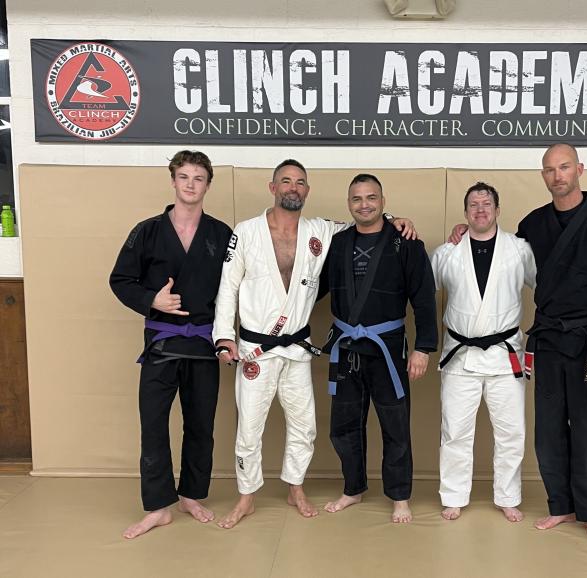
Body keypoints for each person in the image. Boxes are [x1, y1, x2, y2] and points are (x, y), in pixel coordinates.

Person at [212, 161, 415, 529]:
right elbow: (228, 286)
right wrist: (225, 336)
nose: (293, 187)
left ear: (307, 190)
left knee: (304, 425)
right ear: (273, 187)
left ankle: (296, 487)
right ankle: (246, 497)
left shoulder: (320, 230)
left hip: (297, 348)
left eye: (300, 182)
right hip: (256, 349)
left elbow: (365, 222)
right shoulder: (246, 232)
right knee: (249, 428)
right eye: (286, 181)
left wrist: (394, 218)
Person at [109, 150, 233, 539]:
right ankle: (158, 507)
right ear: (173, 181)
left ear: (208, 184)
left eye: (199, 178)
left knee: (201, 424)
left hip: (204, 344)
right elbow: (120, 280)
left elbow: (235, 289)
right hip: (161, 343)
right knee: (153, 425)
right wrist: (153, 300)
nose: (191, 184)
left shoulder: (221, 234)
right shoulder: (147, 231)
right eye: (184, 177)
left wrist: (228, 337)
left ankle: (191, 496)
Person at [517, 143, 587, 545]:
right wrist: (465, 234)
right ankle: (560, 505)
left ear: (579, 169)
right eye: (550, 170)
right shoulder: (532, 224)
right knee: (548, 430)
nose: (557, 176)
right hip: (549, 340)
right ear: (543, 176)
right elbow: (502, 257)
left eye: (564, 167)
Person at [320, 173, 438, 523]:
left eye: (371, 198)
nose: (364, 205)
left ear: (383, 202)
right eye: (357, 199)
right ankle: (353, 488)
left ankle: (400, 496)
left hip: (388, 348)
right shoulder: (338, 243)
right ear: (349, 204)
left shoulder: (406, 242)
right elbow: (312, 288)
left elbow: (424, 299)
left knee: (395, 426)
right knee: (343, 426)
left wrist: (423, 348)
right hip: (347, 348)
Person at [431, 182, 536, 523]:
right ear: (465, 213)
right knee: (455, 431)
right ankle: (454, 496)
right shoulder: (447, 253)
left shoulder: (519, 250)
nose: (480, 209)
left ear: (497, 210)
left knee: (511, 432)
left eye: (486, 203)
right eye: (474, 205)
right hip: (460, 354)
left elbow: (547, 287)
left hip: (506, 355)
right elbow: (422, 292)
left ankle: (508, 496)